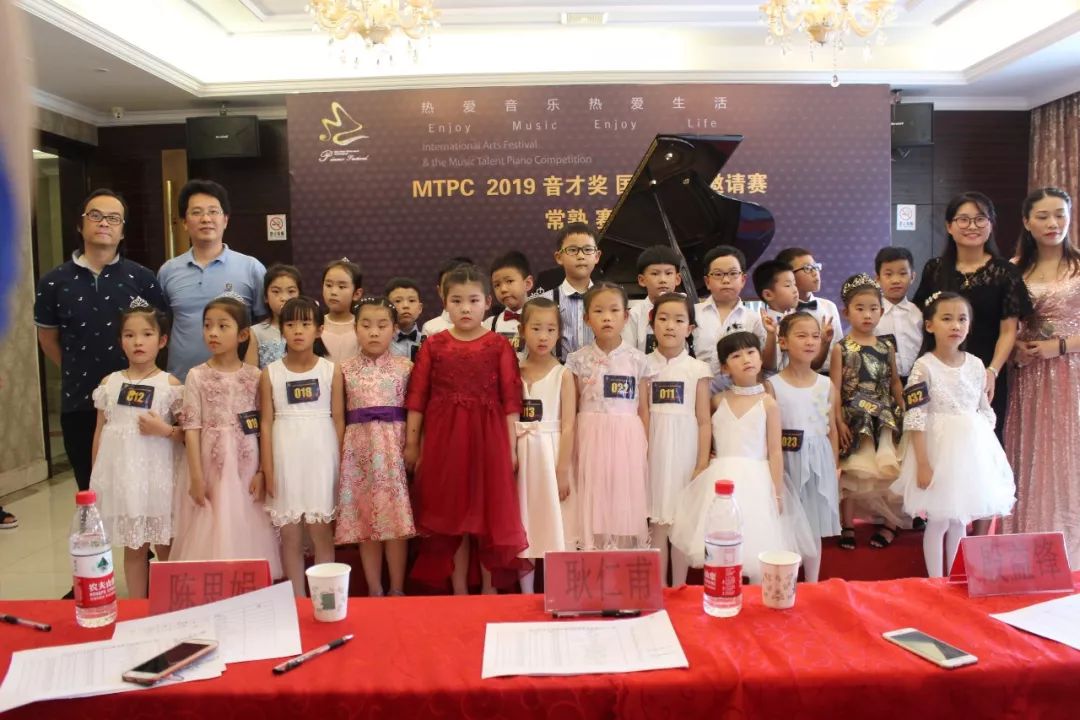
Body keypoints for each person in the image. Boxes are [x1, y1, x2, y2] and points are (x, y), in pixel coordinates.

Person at [912, 191, 1032, 536]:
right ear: (949, 226)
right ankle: (939, 521)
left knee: (983, 447)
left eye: (980, 219)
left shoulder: (1005, 272)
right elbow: (920, 318)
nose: (971, 226)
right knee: (936, 442)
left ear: (991, 225)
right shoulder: (935, 269)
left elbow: (1009, 329)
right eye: (963, 219)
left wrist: (992, 371)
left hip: (983, 374)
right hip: (939, 371)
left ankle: (977, 538)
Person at [404, 264, 527, 595]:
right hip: (444, 442)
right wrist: (413, 445)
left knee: (488, 517)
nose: (465, 308)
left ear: (487, 302)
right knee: (451, 518)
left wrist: (512, 448)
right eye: (456, 301)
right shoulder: (434, 345)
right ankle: (458, 592)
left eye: (473, 301)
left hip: (489, 441)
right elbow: (417, 398)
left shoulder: (498, 346)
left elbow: (511, 401)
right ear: (445, 303)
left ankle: (489, 590)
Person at [35, 188, 165, 491]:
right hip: (80, 399)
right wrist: (74, 367)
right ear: (80, 225)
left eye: (113, 218)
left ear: (122, 231)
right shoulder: (54, 282)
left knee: (136, 487)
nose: (104, 223)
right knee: (90, 486)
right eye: (95, 216)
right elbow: (47, 337)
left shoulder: (142, 278)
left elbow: (158, 333)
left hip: (136, 400)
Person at [671, 332, 812, 584]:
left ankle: (756, 596)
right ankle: (717, 590)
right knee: (717, 537)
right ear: (725, 368)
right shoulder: (717, 400)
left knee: (758, 541)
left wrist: (777, 492)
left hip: (757, 480)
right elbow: (705, 430)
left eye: (751, 352)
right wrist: (703, 462)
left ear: (760, 358)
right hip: (720, 480)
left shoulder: (768, 403)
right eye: (736, 356)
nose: (746, 359)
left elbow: (775, 451)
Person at [891, 292, 1015, 577]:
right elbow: (915, 416)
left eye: (962, 319)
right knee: (938, 520)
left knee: (959, 518)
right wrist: (923, 463)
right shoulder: (924, 367)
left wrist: (981, 446)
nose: (955, 325)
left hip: (969, 451)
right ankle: (936, 580)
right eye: (947, 319)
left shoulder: (976, 365)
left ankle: (955, 576)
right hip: (937, 450)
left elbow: (984, 409)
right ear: (930, 325)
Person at [171, 295, 282, 579]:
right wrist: (196, 475)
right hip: (210, 458)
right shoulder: (196, 376)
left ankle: (245, 581)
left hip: (247, 458)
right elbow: (191, 428)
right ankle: (213, 581)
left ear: (242, 334)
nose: (213, 333)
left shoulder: (255, 376)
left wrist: (262, 471)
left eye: (222, 326)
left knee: (245, 514)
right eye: (208, 325)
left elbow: (263, 426)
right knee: (212, 516)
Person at [89, 300, 184, 598]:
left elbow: (187, 433)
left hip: (159, 477)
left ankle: (169, 602)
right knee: (134, 546)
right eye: (129, 335)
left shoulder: (170, 384)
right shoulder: (110, 383)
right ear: (121, 341)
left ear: (162, 340)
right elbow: (100, 430)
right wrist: (96, 476)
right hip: (125, 479)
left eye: (146, 334)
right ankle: (137, 605)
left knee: (166, 544)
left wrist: (164, 430)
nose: (138, 342)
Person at [1005, 187, 1080, 567]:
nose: (1053, 223)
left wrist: (1061, 346)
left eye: (1060, 214)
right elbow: (1005, 326)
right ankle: (1029, 550)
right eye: (1043, 216)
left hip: (1073, 373)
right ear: (1027, 222)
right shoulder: (1014, 269)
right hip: (1030, 377)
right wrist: (1015, 347)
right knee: (1034, 455)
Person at [260, 296, 343, 597]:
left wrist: (341, 467)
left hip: (322, 455)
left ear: (319, 330)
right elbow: (265, 424)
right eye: (291, 324)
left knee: (321, 532)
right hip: (285, 455)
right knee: (290, 534)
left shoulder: (331, 370)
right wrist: (268, 469)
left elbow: (339, 420)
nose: (298, 330)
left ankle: (326, 598)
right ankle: (296, 600)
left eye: (306, 324)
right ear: (281, 329)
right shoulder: (270, 373)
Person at [336, 297, 416, 596]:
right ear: (355, 329)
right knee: (365, 521)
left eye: (382, 326)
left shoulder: (406, 367)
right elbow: (338, 416)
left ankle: (397, 588)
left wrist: (413, 447)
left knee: (396, 522)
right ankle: (374, 589)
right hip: (358, 451)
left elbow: (414, 413)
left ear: (394, 329)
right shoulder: (343, 369)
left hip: (394, 449)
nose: (373, 332)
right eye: (366, 325)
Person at [566, 281, 654, 550]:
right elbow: (573, 406)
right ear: (586, 318)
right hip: (589, 437)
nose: (607, 317)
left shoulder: (638, 360)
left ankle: (620, 559)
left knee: (621, 497)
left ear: (626, 316)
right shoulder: (577, 360)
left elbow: (643, 409)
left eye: (614, 310)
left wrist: (644, 446)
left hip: (626, 439)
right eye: (599, 311)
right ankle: (592, 557)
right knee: (592, 496)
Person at [158, 180, 266, 381]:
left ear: (225, 220)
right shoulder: (168, 271)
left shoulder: (251, 268)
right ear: (184, 222)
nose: (206, 218)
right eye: (196, 212)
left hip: (236, 384)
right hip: (181, 381)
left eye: (213, 211)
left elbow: (266, 326)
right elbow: (161, 325)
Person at [832, 274, 905, 550]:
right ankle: (847, 524)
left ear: (881, 311)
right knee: (853, 473)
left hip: (884, 416)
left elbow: (894, 381)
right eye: (860, 308)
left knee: (888, 471)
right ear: (846, 312)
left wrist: (903, 408)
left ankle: (890, 523)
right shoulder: (841, 348)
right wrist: (838, 421)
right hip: (855, 417)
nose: (867, 315)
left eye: (873, 308)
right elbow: (835, 388)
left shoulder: (887, 346)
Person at [766, 312, 840, 582]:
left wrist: (833, 465)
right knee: (787, 523)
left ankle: (812, 583)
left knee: (813, 523)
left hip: (818, 460)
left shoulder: (826, 384)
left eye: (815, 336)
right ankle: (786, 581)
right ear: (783, 342)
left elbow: (831, 429)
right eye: (802, 335)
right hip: (785, 461)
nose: (810, 341)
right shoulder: (772, 385)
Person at [645, 293, 711, 587]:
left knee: (682, 522)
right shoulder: (643, 365)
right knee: (657, 523)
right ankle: (659, 588)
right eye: (663, 318)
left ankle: (680, 588)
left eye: (679, 320)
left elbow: (704, 420)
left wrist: (702, 463)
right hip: (654, 450)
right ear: (652, 323)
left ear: (690, 328)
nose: (670, 326)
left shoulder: (698, 370)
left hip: (686, 451)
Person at [515, 297, 577, 593]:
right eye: (536, 328)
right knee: (524, 521)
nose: (543, 336)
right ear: (522, 330)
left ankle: (556, 592)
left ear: (559, 333)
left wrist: (562, 469)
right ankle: (525, 593)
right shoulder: (513, 371)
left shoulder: (563, 374)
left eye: (551, 330)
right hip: (522, 453)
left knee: (554, 521)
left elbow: (569, 424)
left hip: (550, 453)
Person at [692, 245, 769, 381]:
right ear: (707, 282)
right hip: (696, 386)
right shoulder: (692, 313)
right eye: (718, 274)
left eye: (733, 273)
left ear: (743, 280)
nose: (726, 280)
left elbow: (763, 362)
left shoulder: (753, 318)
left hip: (739, 388)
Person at [776, 247, 840, 370]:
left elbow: (838, 348)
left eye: (816, 267)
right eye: (807, 268)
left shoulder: (829, 307)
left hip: (828, 374)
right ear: (789, 276)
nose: (815, 273)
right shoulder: (781, 312)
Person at [543, 223, 601, 360]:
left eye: (588, 249)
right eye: (573, 250)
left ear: (597, 256)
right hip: (557, 371)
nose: (580, 255)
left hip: (601, 371)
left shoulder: (609, 301)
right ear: (559, 257)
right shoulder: (544, 302)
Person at [874, 247, 923, 383]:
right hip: (882, 383)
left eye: (902, 273)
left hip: (917, 381)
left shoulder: (919, 313)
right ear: (877, 278)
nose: (895, 280)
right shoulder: (872, 315)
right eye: (888, 274)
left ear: (912, 277)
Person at [622, 245, 682, 354]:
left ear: (677, 279)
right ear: (642, 280)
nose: (663, 280)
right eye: (655, 274)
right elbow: (627, 354)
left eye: (668, 273)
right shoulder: (634, 315)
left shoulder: (687, 310)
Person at [244, 263, 302, 369]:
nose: (284, 298)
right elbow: (250, 373)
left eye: (291, 291)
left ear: (300, 295)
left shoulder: (309, 328)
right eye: (276, 291)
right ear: (266, 297)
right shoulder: (256, 332)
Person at [752, 259, 802, 373]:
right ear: (768, 294)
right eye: (788, 285)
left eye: (794, 284)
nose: (795, 290)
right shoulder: (761, 325)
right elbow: (769, 365)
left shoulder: (798, 319)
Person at [487, 250, 534, 357]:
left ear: (528, 283)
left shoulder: (543, 320)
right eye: (497, 285)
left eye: (509, 281)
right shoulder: (490, 324)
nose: (503, 289)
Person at [320, 258, 362, 365]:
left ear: (357, 294)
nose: (333, 292)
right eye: (328, 285)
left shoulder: (363, 326)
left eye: (341, 287)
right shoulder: (315, 324)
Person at [421, 257, 473, 337]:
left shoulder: (485, 327)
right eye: (448, 286)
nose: (456, 290)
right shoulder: (430, 328)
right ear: (439, 291)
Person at [385, 277, 425, 361]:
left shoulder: (428, 339)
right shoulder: (381, 342)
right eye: (398, 301)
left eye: (411, 300)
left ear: (420, 308)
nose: (405, 306)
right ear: (387, 308)